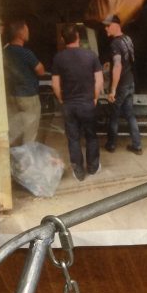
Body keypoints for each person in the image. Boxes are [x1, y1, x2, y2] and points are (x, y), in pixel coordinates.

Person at [51, 25, 104, 182]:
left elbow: (55, 84)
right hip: (87, 103)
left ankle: (79, 172)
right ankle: (93, 168)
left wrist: (61, 99)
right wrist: (95, 98)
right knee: (91, 136)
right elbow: (99, 81)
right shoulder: (91, 55)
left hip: (69, 105)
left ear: (63, 39)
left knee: (73, 138)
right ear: (78, 37)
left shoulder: (58, 58)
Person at [102, 14, 142, 155]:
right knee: (130, 115)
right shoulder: (127, 39)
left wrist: (112, 90)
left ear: (115, 25)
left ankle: (111, 144)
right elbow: (128, 60)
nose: (105, 28)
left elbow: (118, 66)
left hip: (121, 86)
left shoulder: (115, 44)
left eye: (108, 26)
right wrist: (110, 64)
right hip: (130, 82)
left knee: (114, 115)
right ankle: (137, 145)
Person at [3, 19, 45, 145]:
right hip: (28, 95)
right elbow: (41, 70)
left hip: (11, 95)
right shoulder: (26, 53)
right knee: (30, 131)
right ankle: (26, 155)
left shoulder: (5, 51)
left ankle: (13, 155)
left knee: (13, 131)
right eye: (26, 30)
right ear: (20, 33)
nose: (28, 32)